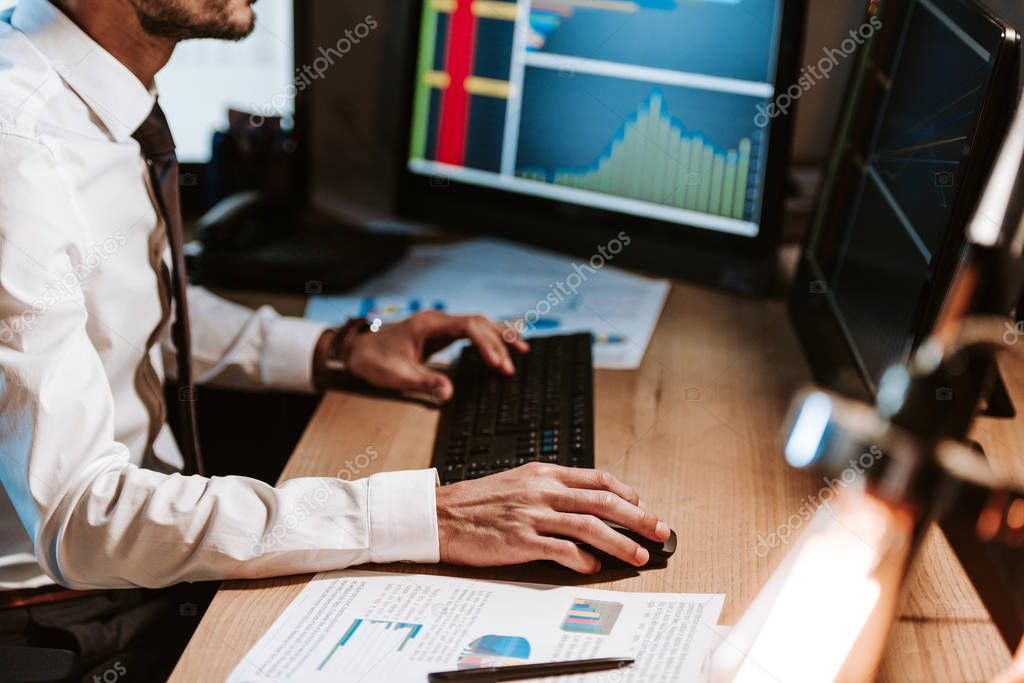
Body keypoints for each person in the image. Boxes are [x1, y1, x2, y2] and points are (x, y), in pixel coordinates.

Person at [0, 0, 670, 678]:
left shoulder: (95, 97)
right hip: (69, 613)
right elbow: (83, 516)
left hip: (137, 568)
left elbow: (126, 310)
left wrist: (338, 350)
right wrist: (431, 516)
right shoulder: (19, 150)